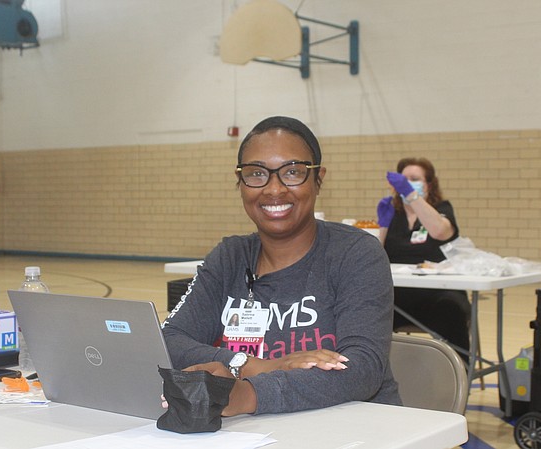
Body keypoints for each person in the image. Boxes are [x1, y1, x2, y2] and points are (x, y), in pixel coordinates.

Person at [162, 116, 400, 416]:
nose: (274, 189)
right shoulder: (229, 257)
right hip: (253, 435)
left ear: (318, 178)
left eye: (292, 172)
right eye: (257, 173)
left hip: (358, 431)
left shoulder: (355, 253)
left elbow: (361, 369)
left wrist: (249, 395)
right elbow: (169, 341)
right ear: (240, 182)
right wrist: (256, 365)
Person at [376, 157, 471, 362]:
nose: (408, 182)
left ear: (428, 184)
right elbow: (377, 254)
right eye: (404, 179)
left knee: (451, 310)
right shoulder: (393, 212)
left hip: (436, 294)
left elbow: (439, 231)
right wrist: (382, 225)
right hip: (400, 294)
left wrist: (411, 196)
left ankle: (460, 370)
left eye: (414, 178)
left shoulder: (442, 209)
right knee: (368, 310)